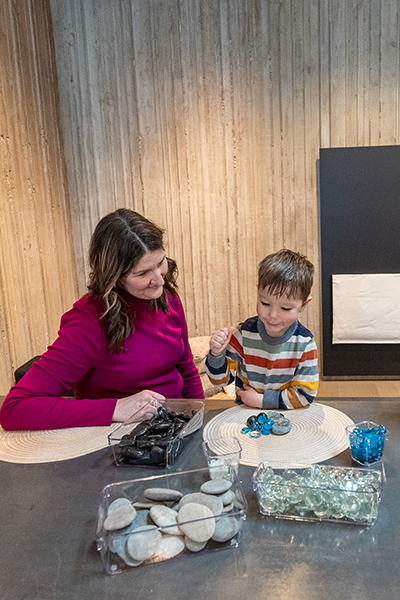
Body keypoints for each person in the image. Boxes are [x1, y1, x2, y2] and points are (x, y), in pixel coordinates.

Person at [0, 209, 204, 430]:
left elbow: (187, 370)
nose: (159, 281)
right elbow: (15, 409)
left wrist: (198, 424)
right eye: (143, 273)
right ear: (114, 276)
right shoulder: (88, 321)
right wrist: (117, 408)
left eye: (161, 263)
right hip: (118, 438)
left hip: (172, 429)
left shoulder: (167, 297)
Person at [205, 249, 318, 410]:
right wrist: (216, 354)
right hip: (245, 415)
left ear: (303, 305)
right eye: (265, 303)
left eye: (285, 308)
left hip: (289, 417)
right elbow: (221, 381)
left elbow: (306, 395)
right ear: (258, 292)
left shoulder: (305, 342)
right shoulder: (243, 334)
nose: (273, 315)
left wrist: (261, 400)